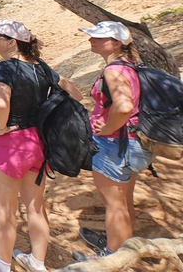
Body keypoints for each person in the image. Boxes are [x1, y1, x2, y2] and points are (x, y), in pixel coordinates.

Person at [0, 20, 83, 272]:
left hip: (10, 143)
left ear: (11, 43)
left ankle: (1, 265)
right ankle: (37, 262)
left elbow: (1, 104)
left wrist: (0, 128)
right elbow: (75, 94)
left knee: (5, 210)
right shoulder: (42, 68)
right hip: (37, 143)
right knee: (36, 206)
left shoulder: (5, 68)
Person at [72, 21, 154, 262]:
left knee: (114, 205)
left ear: (117, 43)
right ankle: (121, 245)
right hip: (134, 142)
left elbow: (124, 106)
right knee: (124, 200)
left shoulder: (113, 70)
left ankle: (114, 259)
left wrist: (107, 128)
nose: (91, 40)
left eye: (99, 37)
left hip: (115, 144)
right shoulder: (132, 66)